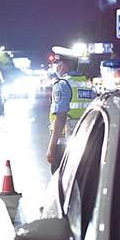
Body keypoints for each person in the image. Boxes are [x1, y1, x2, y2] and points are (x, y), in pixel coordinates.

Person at [46, 46, 94, 174]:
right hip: (87, 143)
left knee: (60, 182)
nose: (55, 66)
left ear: (63, 65)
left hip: (64, 146)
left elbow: (60, 118)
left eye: (56, 62)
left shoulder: (62, 84)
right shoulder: (88, 84)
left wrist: (51, 147)